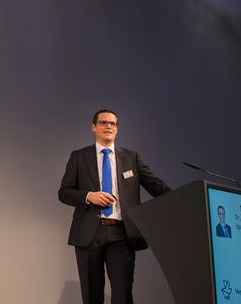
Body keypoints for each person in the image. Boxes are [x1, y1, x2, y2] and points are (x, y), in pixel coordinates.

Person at [58, 109, 171, 304]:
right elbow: (64, 193)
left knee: (123, 296)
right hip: (89, 235)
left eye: (113, 123)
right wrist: (89, 196)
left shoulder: (132, 158)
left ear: (117, 130)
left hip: (122, 236)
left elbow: (156, 185)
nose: (108, 126)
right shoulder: (79, 157)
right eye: (103, 123)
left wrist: (182, 199)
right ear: (94, 127)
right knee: (92, 297)